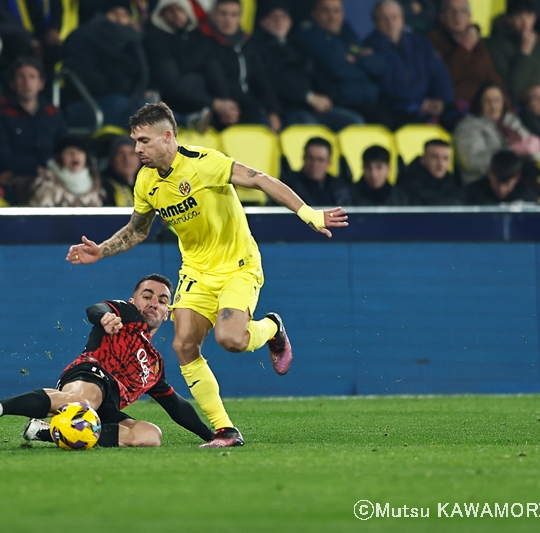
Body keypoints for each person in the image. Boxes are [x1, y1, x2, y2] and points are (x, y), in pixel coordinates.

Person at [66, 103, 349, 447]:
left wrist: (308, 214)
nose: (136, 149)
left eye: (143, 141)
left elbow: (259, 179)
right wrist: (102, 249)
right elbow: (137, 230)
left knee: (231, 340)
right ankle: (225, 430)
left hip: (237, 265)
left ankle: (272, 327)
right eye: (134, 141)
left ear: (167, 137)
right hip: (197, 271)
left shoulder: (204, 163)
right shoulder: (146, 181)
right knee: (184, 344)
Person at [0, 274, 215, 448]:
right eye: (147, 296)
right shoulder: (125, 314)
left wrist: (212, 436)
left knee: (150, 435)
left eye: (162, 300)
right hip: (90, 374)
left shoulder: (154, 365)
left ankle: (47, 432)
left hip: (108, 406)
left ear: (167, 313)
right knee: (82, 403)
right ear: (135, 300)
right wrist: (104, 318)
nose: (153, 303)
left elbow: (176, 405)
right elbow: (96, 309)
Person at [250, 0, 363, 131]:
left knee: (354, 122)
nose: (279, 21)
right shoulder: (256, 47)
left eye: (283, 16)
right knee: (308, 126)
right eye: (273, 16)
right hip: (285, 109)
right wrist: (308, 97)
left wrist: (326, 98)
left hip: (310, 107)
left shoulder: (296, 45)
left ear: (290, 21)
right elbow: (273, 80)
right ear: (262, 21)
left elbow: (315, 75)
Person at [0, 57, 68, 205]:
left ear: (41, 83)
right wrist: (36, 169)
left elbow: (64, 148)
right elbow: (0, 153)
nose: (26, 82)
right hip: (17, 178)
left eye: (32, 77)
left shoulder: (53, 113)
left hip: (52, 175)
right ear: (12, 83)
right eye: (20, 76)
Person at [143, 0, 237, 132]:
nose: (177, 15)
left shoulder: (199, 37)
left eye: (180, 9)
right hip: (174, 102)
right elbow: (171, 86)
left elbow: (214, 71)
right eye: (171, 10)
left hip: (206, 101)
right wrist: (215, 103)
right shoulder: (155, 40)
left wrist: (226, 102)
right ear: (161, 14)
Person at [364, 0, 456, 128]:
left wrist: (441, 100)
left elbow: (439, 73)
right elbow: (387, 86)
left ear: (402, 19)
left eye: (394, 17)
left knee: (459, 118)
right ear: (375, 22)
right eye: (384, 18)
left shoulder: (420, 42)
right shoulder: (370, 47)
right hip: (397, 109)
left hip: (431, 105)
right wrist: (419, 102)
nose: (390, 23)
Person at [62, 0, 150, 130]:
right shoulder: (83, 36)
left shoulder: (133, 41)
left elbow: (143, 73)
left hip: (127, 101)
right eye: (114, 13)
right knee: (127, 106)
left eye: (125, 15)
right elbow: (81, 74)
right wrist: (118, 87)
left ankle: (180, 121)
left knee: (146, 106)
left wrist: (135, 93)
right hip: (87, 103)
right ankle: (181, 121)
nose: (119, 19)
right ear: (102, 14)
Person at [297, 0, 387, 125]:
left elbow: (380, 66)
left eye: (336, 11)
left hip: (368, 100)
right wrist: (362, 61)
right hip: (341, 102)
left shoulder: (348, 34)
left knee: (406, 120)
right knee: (378, 120)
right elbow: (337, 69)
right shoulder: (311, 37)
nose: (332, 16)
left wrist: (358, 59)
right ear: (314, 14)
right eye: (325, 11)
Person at [200, 0, 282, 131]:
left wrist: (273, 111)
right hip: (215, 106)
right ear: (213, 15)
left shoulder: (249, 43)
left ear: (240, 18)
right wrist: (221, 105)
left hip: (247, 105)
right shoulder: (202, 41)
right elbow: (210, 78)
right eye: (223, 14)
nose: (228, 19)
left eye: (233, 15)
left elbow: (261, 80)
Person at [453, 81, 540, 185]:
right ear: (479, 103)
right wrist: (511, 155)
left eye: (497, 100)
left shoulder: (511, 120)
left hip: (517, 179)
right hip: (484, 183)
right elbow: (470, 163)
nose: (493, 106)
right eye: (487, 101)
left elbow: (538, 152)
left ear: (504, 102)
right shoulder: (468, 126)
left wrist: (529, 154)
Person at [426, 0, 506, 105]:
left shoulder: (478, 42)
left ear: (469, 17)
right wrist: (466, 46)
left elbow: (491, 76)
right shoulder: (432, 41)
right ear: (442, 16)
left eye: (462, 11)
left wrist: (505, 103)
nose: (457, 16)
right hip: (457, 106)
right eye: (451, 11)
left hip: (485, 105)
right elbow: (445, 79)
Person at [487, 0, 540, 104]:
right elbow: (513, 88)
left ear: (534, 17)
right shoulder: (496, 45)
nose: (525, 23)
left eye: (528, 16)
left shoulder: (539, 42)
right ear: (508, 19)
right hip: (520, 105)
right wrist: (524, 53)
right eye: (519, 16)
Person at [29, 137, 105, 207]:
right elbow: (39, 218)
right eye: (69, 152)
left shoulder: (96, 185)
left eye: (79, 152)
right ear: (60, 158)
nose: (75, 156)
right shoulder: (48, 185)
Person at [281, 137, 353, 207]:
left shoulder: (340, 188)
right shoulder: (288, 185)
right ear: (303, 158)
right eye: (310, 158)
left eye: (320, 160)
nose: (314, 164)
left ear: (329, 162)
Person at [400, 139, 466, 205]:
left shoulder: (456, 186)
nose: (441, 163)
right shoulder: (406, 188)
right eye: (435, 157)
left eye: (445, 158)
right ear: (423, 160)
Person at [465, 149, 539, 204]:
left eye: (507, 185)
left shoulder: (528, 198)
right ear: (489, 174)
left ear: (517, 178)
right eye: (496, 184)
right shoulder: (471, 195)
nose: (501, 189)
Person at [101, 136, 140, 207]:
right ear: (112, 159)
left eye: (132, 153)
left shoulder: (151, 186)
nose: (127, 159)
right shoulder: (102, 188)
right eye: (120, 153)